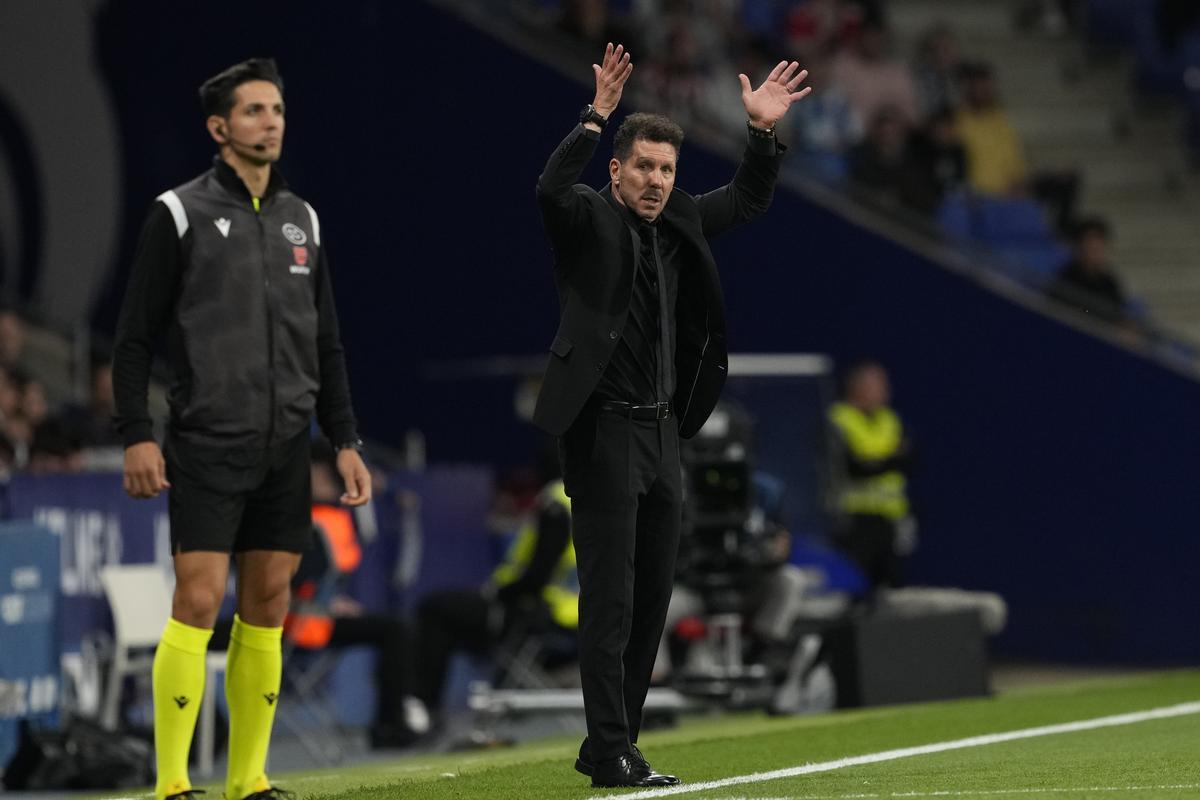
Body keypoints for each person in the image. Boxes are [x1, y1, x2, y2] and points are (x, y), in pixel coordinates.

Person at [533, 42, 809, 787]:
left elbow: (747, 200)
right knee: (612, 600)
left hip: (662, 433)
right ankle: (612, 747)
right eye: (645, 168)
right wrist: (595, 118)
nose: (657, 181)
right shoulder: (589, 217)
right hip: (603, 433)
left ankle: (609, 746)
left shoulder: (679, 224)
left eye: (666, 170)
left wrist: (761, 134)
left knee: (652, 599)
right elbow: (550, 190)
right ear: (618, 172)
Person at [112, 57, 370, 800]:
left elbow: (326, 343)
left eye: (278, 110)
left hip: (286, 447)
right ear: (219, 128)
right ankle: (170, 783)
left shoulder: (303, 219)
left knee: (269, 607)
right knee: (196, 602)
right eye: (254, 111)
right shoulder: (179, 212)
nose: (271, 122)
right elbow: (133, 339)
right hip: (205, 443)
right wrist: (136, 432)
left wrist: (345, 440)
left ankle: (249, 781)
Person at [414, 479, 577, 728]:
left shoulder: (556, 505)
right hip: (574, 614)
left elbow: (536, 578)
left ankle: (424, 709)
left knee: (436, 608)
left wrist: (495, 594)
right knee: (445, 611)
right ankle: (428, 708)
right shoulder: (591, 497)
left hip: (537, 613)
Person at [828, 360, 915, 593]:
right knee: (853, 585)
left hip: (888, 518)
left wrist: (874, 461)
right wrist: (889, 458)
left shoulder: (891, 420)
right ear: (857, 387)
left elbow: (910, 459)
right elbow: (854, 468)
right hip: (853, 520)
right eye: (877, 385)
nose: (885, 391)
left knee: (892, 587)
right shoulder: (838, 419)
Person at [1047, 216, 1133, 328]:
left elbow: (1118, 313)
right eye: (1091, 248)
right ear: (1078, 248)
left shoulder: (1109, 282)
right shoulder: (1066, 280)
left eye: (1100, 248)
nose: (1096, 253)